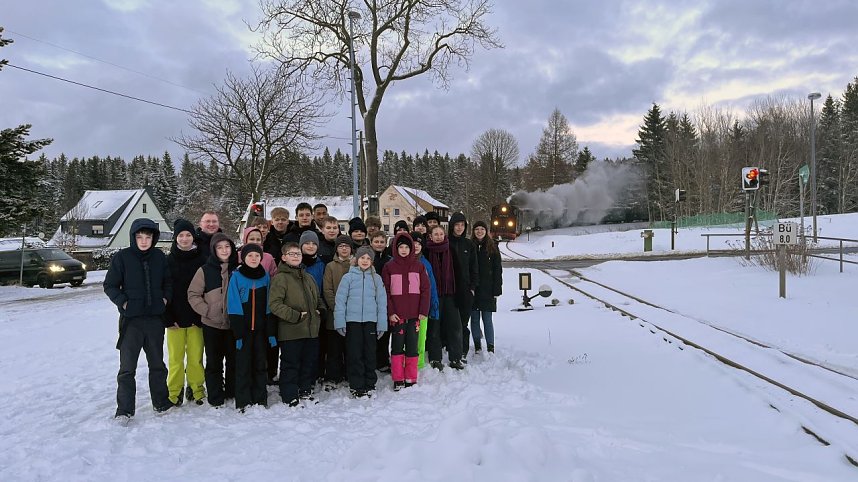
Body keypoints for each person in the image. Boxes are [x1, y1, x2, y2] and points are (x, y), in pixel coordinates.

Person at [104, 218, 174, 424]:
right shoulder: (122, 258)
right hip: (131, 322)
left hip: (154, 320)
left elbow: (168, 282)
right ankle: (124, 410)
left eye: (148, 237)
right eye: (140, 237)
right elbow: (110, 285)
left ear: (154, 238)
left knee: (157, 365)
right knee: (127, 368)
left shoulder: (160, 257)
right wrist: (124, 303)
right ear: (134, 238)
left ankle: (161, 402)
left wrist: (164, 299)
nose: (144, 241)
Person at [269, 242, 323, 407]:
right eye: (291, 254)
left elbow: (317, 298)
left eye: (298, 254)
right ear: (284, 257)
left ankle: (305, 389)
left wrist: (320, 309)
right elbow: (275, 304)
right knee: (290, 364)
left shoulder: (308, 277)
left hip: (311, 329)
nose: (295, 256)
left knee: (308, 362)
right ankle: (289, 394)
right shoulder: (280, 278)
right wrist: (294, 316)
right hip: (291, 330)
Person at [188, 232, 238, 408]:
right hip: (212, 325)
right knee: (214, 363)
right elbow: (193, 294)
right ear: (213, 250)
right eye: (219, 247)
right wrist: (207, 310)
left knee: (234, 361)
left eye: (227, 246)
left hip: (233, 325)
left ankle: (232, 391)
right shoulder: (205, 270)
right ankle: (216, 396)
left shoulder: (237, 268)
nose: (224, 250)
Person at [164, 218, 207, 407]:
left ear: (193, 237)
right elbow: (163, 290)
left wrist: (202, 314)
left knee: (196, 358)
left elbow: (207, 290)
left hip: (197, 318)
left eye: (188, 235)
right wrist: (166, 317)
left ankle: (196, 389)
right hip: (174, 321)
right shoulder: (167, 261)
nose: (184, 238)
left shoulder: (202, 260)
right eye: (180, 235)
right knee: (175, 359)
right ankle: (174, 391)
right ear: (175, 239)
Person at [334, 245, 387, 398]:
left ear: (372, 261)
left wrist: (381, 323)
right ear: (357, 259)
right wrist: (340, 322)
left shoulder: (376, 279)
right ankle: (357, 385)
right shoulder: (348, 277)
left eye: (368, 258)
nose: (365, 261)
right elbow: (340, 300)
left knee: (370, 353)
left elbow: (381, 302)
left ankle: (370, 383)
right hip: (353, 322)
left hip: (371, 321)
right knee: (355, 353)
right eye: (362, 258)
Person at [227, 244, 275, 411]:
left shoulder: (265, 277)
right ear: (244, 258)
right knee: (243, 365)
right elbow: (233, 304)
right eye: (250, 256)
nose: (254, 258)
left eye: (257, 255)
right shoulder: (237, 277)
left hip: (261, 331)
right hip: (244, 331)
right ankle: (243, 400)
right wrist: (238, 333)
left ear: (261, 258)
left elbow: (269, 304)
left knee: (260, 364)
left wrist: (270, 332)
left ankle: (260, 398)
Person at [382, 232, 430, 390]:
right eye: (400, 247)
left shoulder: (419, 266)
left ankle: (411, 376)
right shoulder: (389, 267)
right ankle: (398, 378)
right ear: (395, 248)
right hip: (397, 316)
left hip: (414, 315)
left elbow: (425, 289)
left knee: (412, 346)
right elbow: (386, 291)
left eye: (406, 247)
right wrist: (390, 312)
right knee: (397, 346)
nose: (403, 250)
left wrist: (423, 310)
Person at [424, 225, 464, 370]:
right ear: (431, 236)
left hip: (450, 294)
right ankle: (435, 358)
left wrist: (460, 294)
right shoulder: (426, 251)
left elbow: (459, 272)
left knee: (454, 327)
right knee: (434, 327)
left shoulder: (451, 249)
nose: (439, 236)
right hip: (433, 296)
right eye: (436, 234)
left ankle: (456, 357)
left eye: (441, 234)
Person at [322, 235, 353, 388]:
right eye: (341, 246)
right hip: (334, 314)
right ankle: (333, 376)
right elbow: (327, 290)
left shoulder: (356, 265)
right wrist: (337, 308)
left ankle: (349, 373)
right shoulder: (330, 266)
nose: (344, 249)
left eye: (347, 246)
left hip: (353, 314)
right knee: (334, 348)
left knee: (350, 347)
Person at [448, 212, 479, 360]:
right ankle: (450, 348)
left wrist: (472, 287)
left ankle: (462, 350)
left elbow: (474, 268)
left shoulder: (469, 244)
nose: (459, 228)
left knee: (463, 322)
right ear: (452, 226)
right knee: (452, 323)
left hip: (466, 290)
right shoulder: (446, 242)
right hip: (450, 290)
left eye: (462, 225)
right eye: (457, 225)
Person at [470, 221, 502, 353]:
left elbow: (497, 269)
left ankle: (490, 346)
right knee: (475, 318)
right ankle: (477, 345)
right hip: (473, 289)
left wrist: (497, 288)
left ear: (486, 231)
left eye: (482, 229)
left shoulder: (492, 246)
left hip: (488, 289)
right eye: (476, 229)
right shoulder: (470, 245)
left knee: (487, 319)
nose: (479, 231)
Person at [411, 232, 439, 368]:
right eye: (413, 243)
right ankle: (407, 362)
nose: (416, 246)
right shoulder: (400, 262)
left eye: (419, 244)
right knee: (407, 338)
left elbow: (431, 287)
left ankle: (419, 364)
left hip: (422, 308)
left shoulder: (425, 264)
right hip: (407, 308)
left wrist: (433, 305)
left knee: (421, 338)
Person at [369, 230, 393, 371]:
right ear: (371, 243)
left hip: (385, 299)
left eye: (382, 242)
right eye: (376, 241)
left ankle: (383, 360)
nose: (379, 244)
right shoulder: (366, 259)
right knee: (371, 333)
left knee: (384, 332)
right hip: (370, 300)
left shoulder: (389, 260)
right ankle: (372, 360)